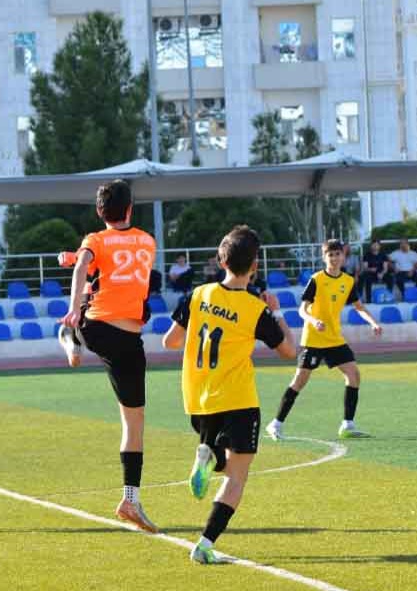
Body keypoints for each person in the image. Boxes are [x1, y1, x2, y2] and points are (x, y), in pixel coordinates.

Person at [162, 225, 297, 564]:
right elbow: (288, 351)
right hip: (237, 400)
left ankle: (210, 457)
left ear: (221, 261)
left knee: (227, 463)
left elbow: (170, 341)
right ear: (255, 266)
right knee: (237, 477)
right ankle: (205, 545)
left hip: (197, 400)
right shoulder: (255, 309)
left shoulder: (198, 294)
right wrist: (277, 312)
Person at [58, 179, 160, 533]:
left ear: (100, 212)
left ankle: (71, 335)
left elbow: (88, 266)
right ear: (130, 208)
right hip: (126, 338)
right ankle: (130, 499)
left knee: (93, 291)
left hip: (98, 329)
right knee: (134, 425)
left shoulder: (95, 240)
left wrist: (74, 306)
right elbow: (121, 267)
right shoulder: (148, 241)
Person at [267, 239, 383, 442]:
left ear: (343, 256)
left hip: (334, 339)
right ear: (324, 257)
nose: (334, 258)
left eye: (338, 254)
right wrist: (313, 320)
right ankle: (276, 424)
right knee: (300, 381)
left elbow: (359, 307)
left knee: (354, 375)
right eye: (330, 255)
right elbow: (302, 310)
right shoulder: (317, 279)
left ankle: (347, 425)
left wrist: (373, 323)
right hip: (313, 339)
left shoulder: (348, 281)